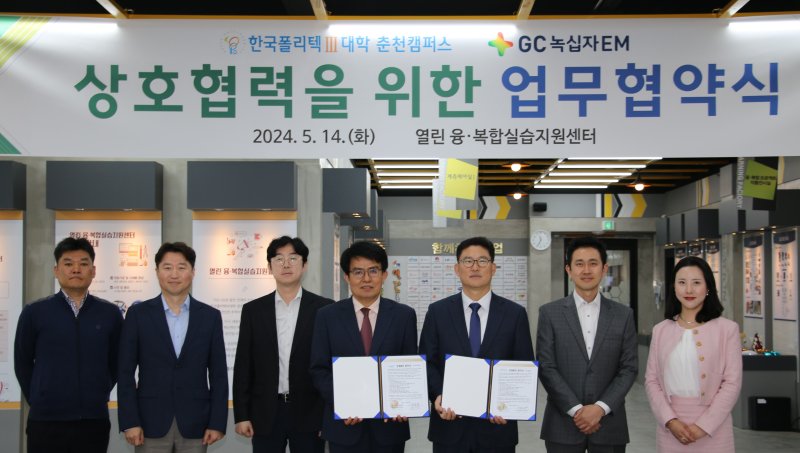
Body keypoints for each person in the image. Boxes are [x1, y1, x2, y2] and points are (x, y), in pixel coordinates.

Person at [419, 236, 535, 453]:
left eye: (482, 261)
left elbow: (523, 365)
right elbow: (427, 362)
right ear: (457, 268)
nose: (475, 267)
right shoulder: (438, 312)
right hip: (449, 426)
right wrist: (438, 395)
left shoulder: (515, 314)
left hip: (498, 428)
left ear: (493, 268)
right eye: (467, 261)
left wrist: (510, 405)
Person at [14, 237, 123, 453]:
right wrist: (39, 397)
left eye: (83, 263)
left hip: (93, 420)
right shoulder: (34, 312)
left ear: (93, 271)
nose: (76, 269)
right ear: (56, 270)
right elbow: (22, 362)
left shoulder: (110, 314)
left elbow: (116, 362)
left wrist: (98, 391)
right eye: (68, 263)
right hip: (45, 421)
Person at [118, 242, 228, 452]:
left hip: (196, 422)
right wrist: (130, 421)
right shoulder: (138, 315)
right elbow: (125, 372)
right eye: (167, 267)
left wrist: (217, 422)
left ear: (193, 272)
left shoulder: (210, 316)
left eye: (181, 267)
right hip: (149, 422)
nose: (174, 274)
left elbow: (219, 374)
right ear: (157, 272)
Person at [310, 241, 417, 453]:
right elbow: (319, 369)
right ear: (347, 277)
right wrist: (344, 403)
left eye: (373, 271)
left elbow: (410, 367)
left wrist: (405, 402)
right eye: (358, 272)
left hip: (390, 427)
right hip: (344, 425)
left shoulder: (403, 316)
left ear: (384, 275)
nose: (366, 279)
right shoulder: (327, 316)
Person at [537, 236, 638, 453]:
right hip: (562, 423)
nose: (586, 270)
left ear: (604, 269)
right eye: (579, 264)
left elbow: (629, 368)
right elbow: (546, 366)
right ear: (569, 270)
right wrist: (576, 410)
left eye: (593, 263)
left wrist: (600, 408)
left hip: (609, 424)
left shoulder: (623, 315)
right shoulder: (549, 313)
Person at [233, 236, 333, 452]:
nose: (286, 264)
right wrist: (241, 415)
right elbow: (243, 365)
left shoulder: (324, 309)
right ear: (269, 267)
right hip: (265, 412)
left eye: (293, 258)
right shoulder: (253, 311)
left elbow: (329, 366)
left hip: (310, 413)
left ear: (304, 265)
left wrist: (328, 416)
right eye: (279, 259)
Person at [645, 256, 742, 452]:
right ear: (674, 288)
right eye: (682, 283)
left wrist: (703, 427)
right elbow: (651, 380)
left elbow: (732, 382)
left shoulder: (727, 329)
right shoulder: (661, 330)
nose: (688, 290)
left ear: (708, 287)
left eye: (696, 283)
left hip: (714, 427)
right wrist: (670, 421)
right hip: (670, 428)